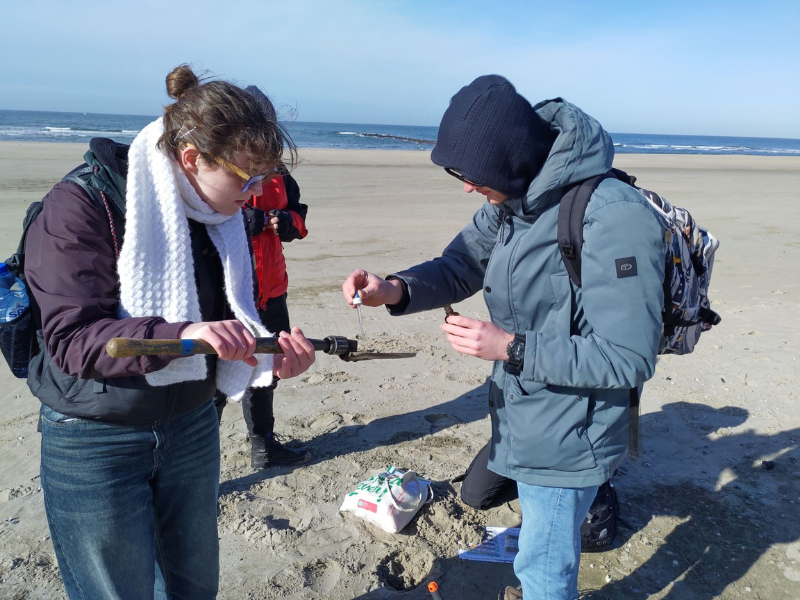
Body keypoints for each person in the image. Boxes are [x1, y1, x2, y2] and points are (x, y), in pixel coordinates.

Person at [343, 75, 666, 600]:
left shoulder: (614, 217)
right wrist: (395, 289)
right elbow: (460, 263)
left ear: (512, 159)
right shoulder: (514, 198)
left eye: (472, 175)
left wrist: (509, 347)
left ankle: (594, 492)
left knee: (541, 565)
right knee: (482, 496)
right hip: (523, 409)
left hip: (571, 430)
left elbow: (628, 357)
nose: (468, 188)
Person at [25, 64, 315, 600]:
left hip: (191, 424)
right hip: (95, 433)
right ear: (190, 158)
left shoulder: (217, 213)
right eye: (244, 176)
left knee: (194, 586)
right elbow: (71, 339)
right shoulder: (81, 204)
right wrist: (186, 333)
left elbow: (228, 327)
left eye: (261, 180)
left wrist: (273, 356)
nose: (253, 195)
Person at [214, 86, 312, 469]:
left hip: (272, 292)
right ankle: (202, 460)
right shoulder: (220, 167)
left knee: (266, 371)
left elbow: (301, 219)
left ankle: (263, 444)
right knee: (216, 379)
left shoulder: (280, 174)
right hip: (228, 296)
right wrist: (242, 221)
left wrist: (286, 222)